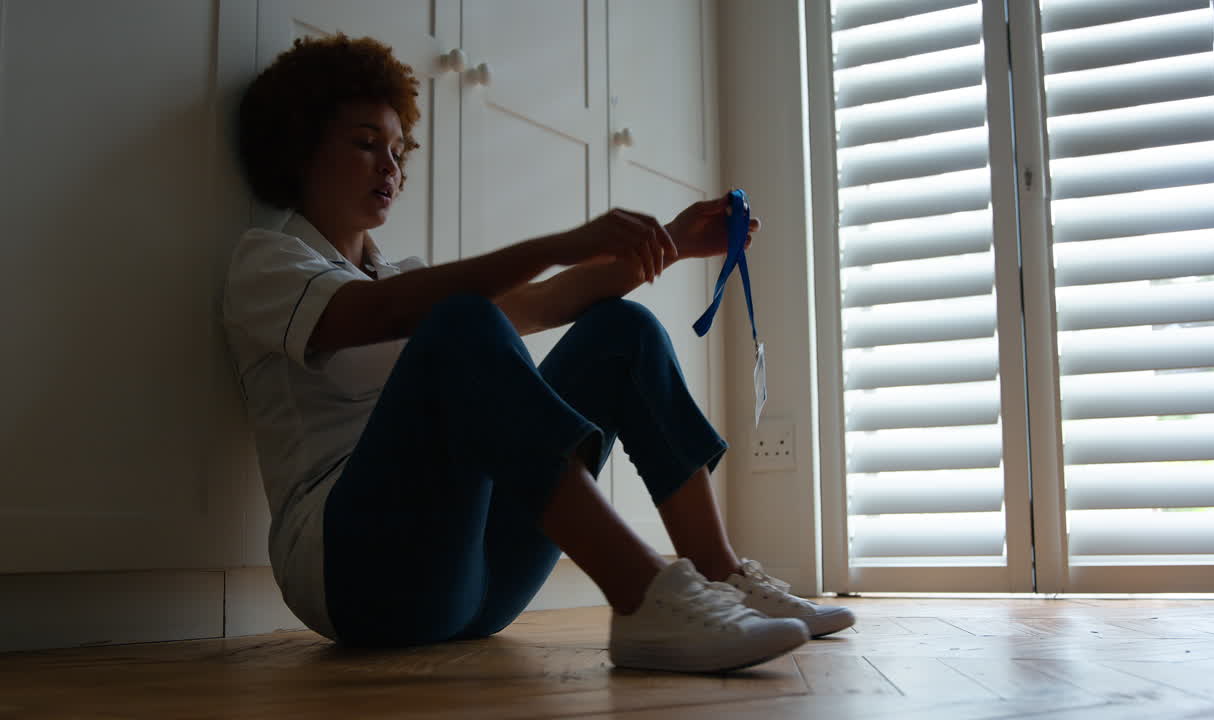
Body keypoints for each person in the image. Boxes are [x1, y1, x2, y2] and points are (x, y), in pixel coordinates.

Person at [222, 33, 853, 674]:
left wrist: (673, 241)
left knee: (621, 332)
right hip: (360, 580)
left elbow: (548, 303)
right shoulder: (268, 264)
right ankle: (644, 598)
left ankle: (721, 576)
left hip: (477, 584)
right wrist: (561, 241)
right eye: (364, 144)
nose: (390, 167)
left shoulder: (403, 278)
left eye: (397, 150)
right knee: (460, 317)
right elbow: (386, 314)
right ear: (300, 148)